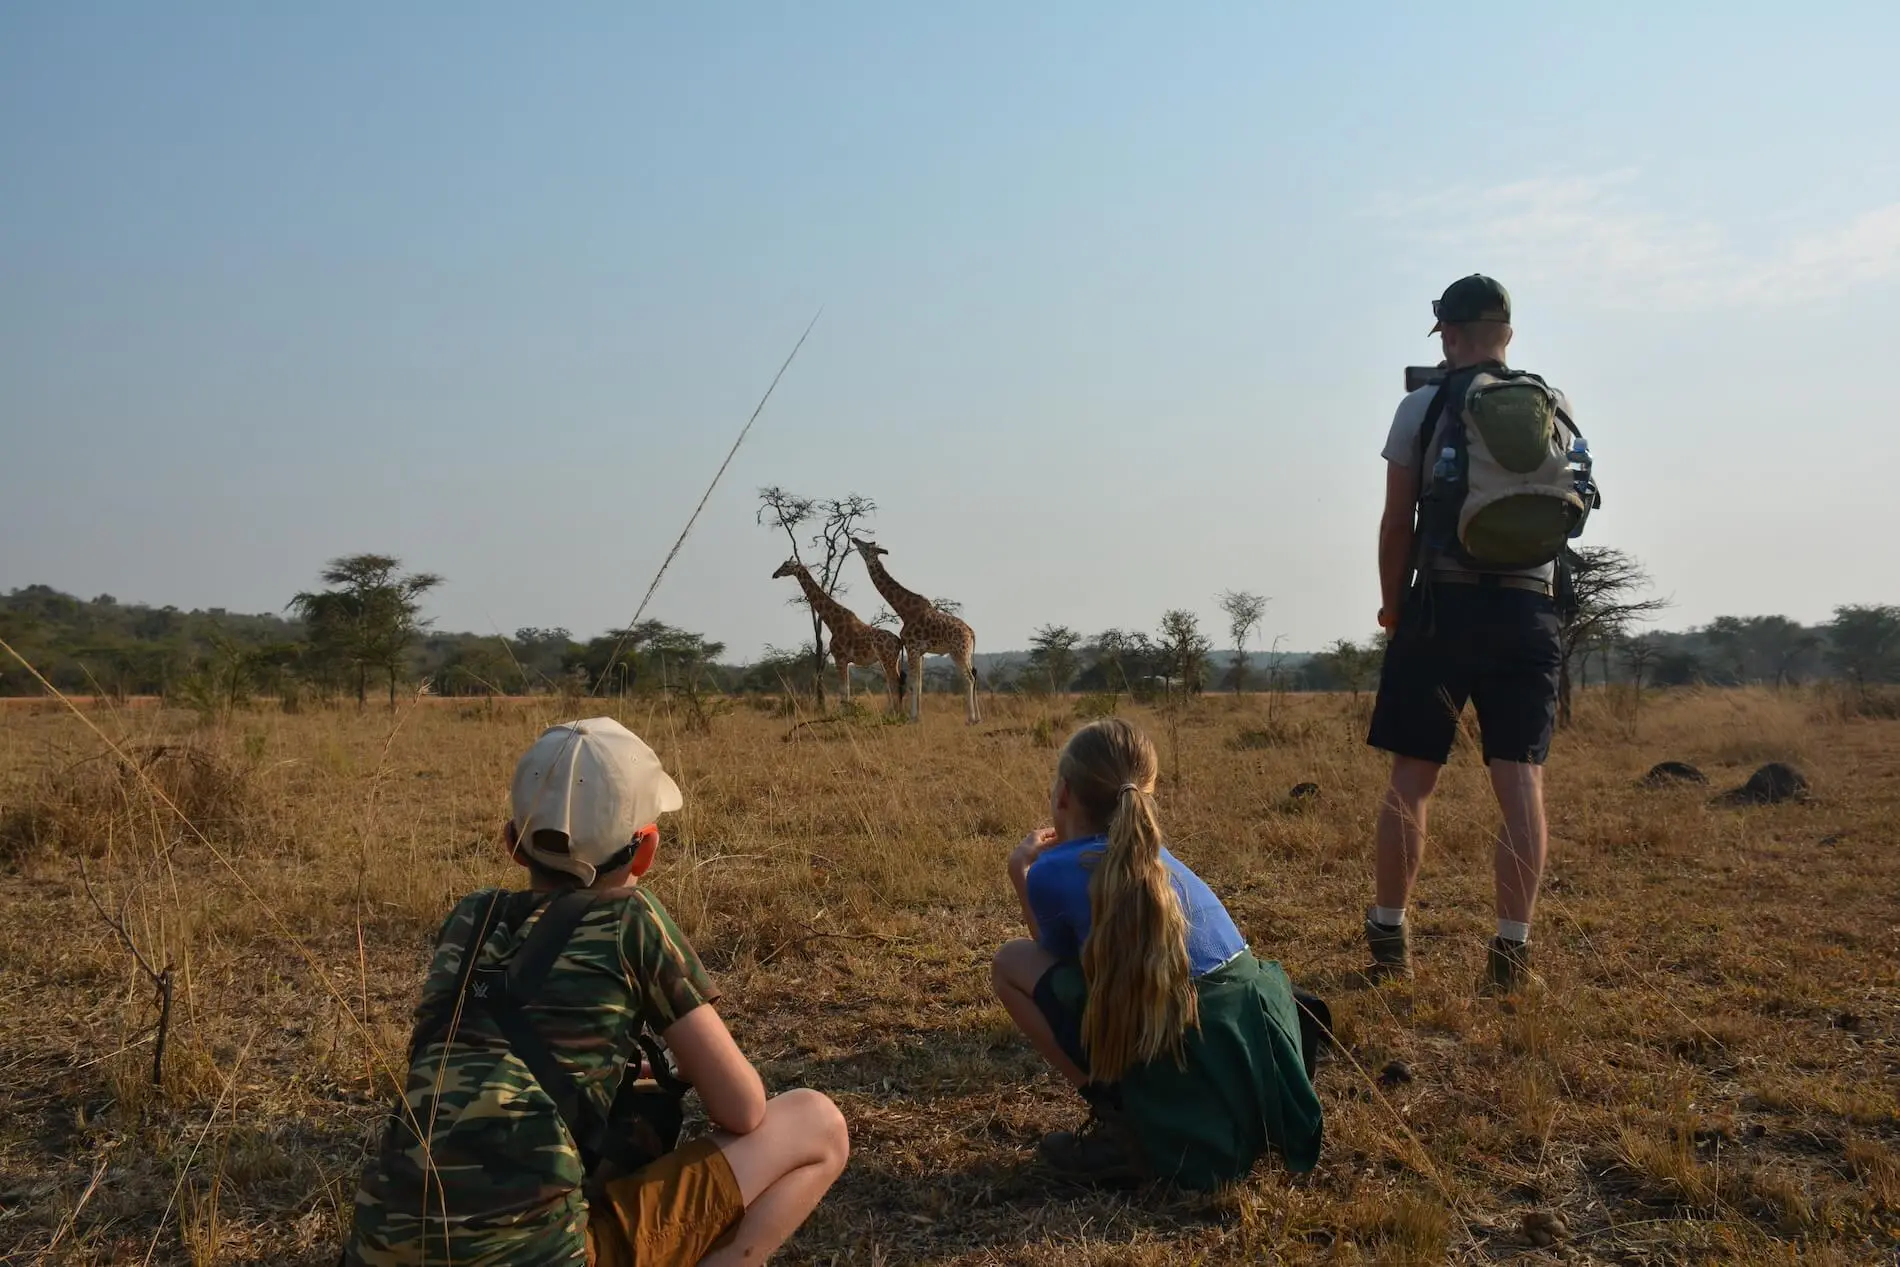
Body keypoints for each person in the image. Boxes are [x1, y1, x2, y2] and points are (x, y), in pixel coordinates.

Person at [343, 717, 849, 1267]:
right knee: (817, 1122)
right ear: (646, 850)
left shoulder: (470, 919)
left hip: (376, 1253)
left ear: (513, 844)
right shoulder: (631, 918)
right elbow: (743, 1110)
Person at [990, 717, 1325, 1189]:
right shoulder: (1158, 856)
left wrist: (1020, 872)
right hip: (1253, 1030)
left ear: (1063, 793)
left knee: (1009, 963)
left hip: (1183, 1042)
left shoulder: (1051, 870)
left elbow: (1054, 966)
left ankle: (1118, 1119)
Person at [1365, 274, 1575, 993]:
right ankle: (1512, 955)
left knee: (1413, 777)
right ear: (1508, 334)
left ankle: (1390, 938)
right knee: (1521, 781)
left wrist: (1394, 608)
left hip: (1443, 607)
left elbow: (1398, 521)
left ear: (1448, 335)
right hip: (1528, 610)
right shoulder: (1554, 405)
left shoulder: (1422, 406)